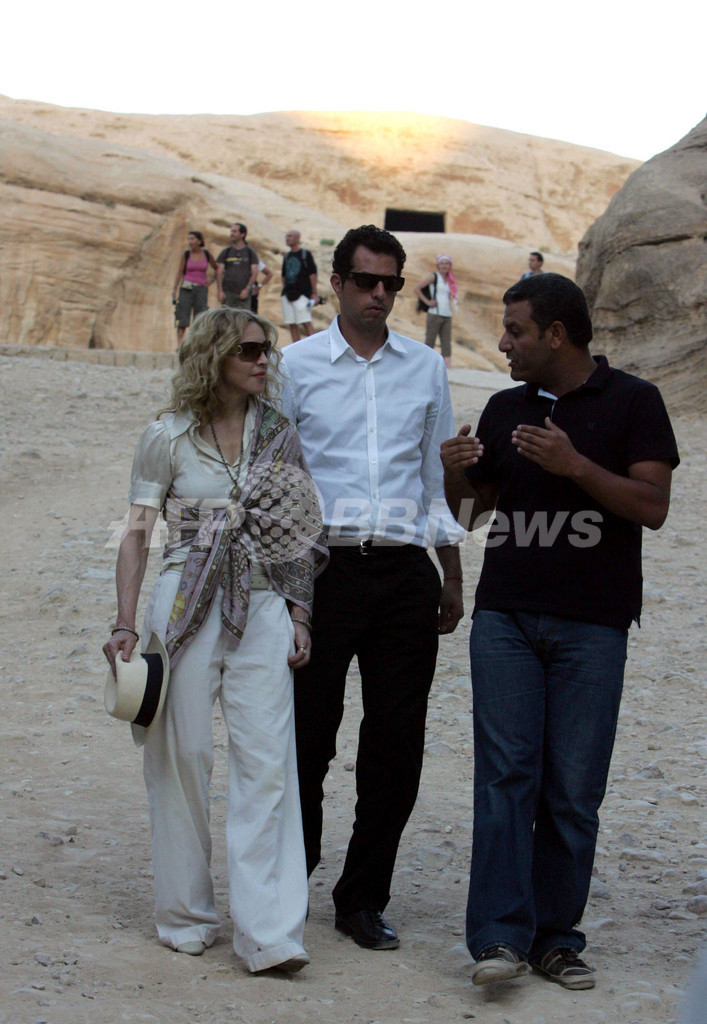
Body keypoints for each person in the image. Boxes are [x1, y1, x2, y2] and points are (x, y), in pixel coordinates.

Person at [440, 273, 679, 991]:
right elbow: (469, 516)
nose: (503, 344)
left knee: (573, 790)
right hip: (505, 618)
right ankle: (498, 937)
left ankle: (555, 939)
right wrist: (453, 475)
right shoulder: (503, 407)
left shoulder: (635, 400)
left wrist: (574, 465)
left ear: (556, 334)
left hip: (594, 626)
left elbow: (652, 505)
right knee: (504, 779)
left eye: (515, 331)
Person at [102, 307, 328, 974]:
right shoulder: (165, 436)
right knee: (182, 756)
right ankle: (186, 916)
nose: (263, 361)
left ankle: (270, 933)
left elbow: (295, 533)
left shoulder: (279, 434)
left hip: (262, 606)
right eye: (249, 351)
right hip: (183, 606)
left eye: (266, 351)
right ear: (213, 356)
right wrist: (124, 623)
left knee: (268, 763)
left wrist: (300, 614)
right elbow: (137, 533)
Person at [281, 224, 465, 952]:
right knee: (305, 737)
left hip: (403, 573)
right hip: (320, 573)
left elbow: (434, 481)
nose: (379, 294)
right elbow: (276, 478)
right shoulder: (294, 366)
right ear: (336, 284)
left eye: (391, 282)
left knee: (396, 742)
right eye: (365, 281)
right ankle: (288, 881)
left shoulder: (424, 367)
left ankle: (362, 898)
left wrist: (451, 575)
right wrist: (282, 588)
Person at [171, 231, 217, 344]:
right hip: (186, 287)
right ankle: (180, 346)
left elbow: (216, 268)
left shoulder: (207, 255)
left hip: (201, 288)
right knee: (182, 317)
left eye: (192, 239)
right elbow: (180, 272)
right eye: (189, 239)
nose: (190, 241)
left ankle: (196, 345)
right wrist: (174, 289)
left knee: (200, 317)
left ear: (199, 241)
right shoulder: (186, 255)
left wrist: (211, 280)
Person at [414, 254, 458, 368]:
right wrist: (428, 302)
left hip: (447, 315)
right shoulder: (434, 276)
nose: (444, 266)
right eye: (442, 263)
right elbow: (417, 288)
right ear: (438, 265)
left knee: (446, 343)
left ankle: (448, 368)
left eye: (446, 263)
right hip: (434, 314)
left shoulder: (450, 279)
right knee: (430, 341)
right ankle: (425, 366)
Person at [281, 230, 318, 342]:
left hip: (302, 294)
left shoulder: (305, 254)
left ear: (297, 238)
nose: (287, 238)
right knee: (292, 324)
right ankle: (296, 348)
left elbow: (312, 274)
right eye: (287, 236)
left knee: (306, 322)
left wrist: (314, 293)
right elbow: (284, 275)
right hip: (288, 293)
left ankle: (315, 347)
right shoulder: (287, 256)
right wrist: (284, 289)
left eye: (290, 236)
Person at [216, 223, 259, 309]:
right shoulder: (226, 252)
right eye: (231, 231)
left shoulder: (250, 252)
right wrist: (220, 291)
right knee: (226, 317)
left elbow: (254, 272)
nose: (232, 234)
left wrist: (247, 289)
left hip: (243, 294)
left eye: (234, 231)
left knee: (242, 317)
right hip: (228, 294)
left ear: (242, 234)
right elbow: (219, 272)